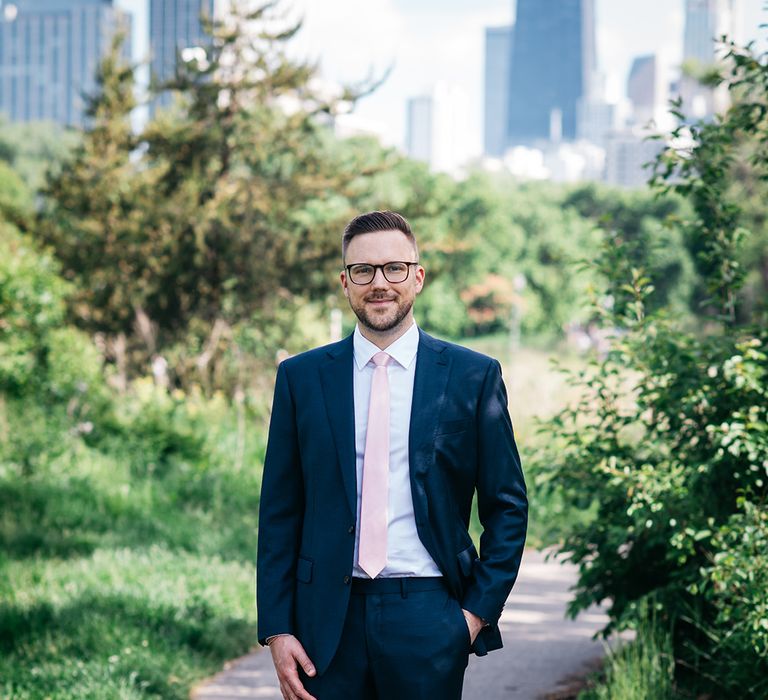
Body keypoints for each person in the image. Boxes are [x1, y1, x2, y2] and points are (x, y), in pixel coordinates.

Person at [257, 211, 527, 700]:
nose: (379, 283)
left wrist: (473, 615)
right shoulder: (302, 378)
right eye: (363, 271)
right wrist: (277, 629)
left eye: (394, 268)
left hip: (430, 614)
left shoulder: (472, 376)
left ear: (417, 277)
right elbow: (279, 512)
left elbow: (507, 505)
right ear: (345, 282)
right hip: (325, 623)